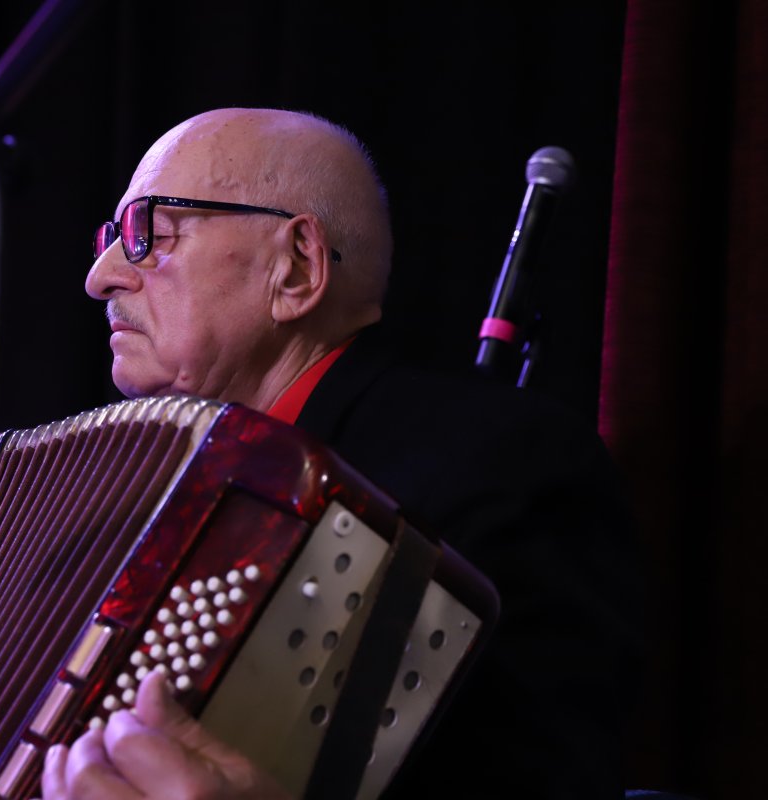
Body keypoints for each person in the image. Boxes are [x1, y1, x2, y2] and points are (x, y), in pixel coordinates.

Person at [41, 107, 642, 799]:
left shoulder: (502, 464)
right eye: (112, 237)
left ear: (296, 267)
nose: (101, 276)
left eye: (149, 232)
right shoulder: (112, 495)